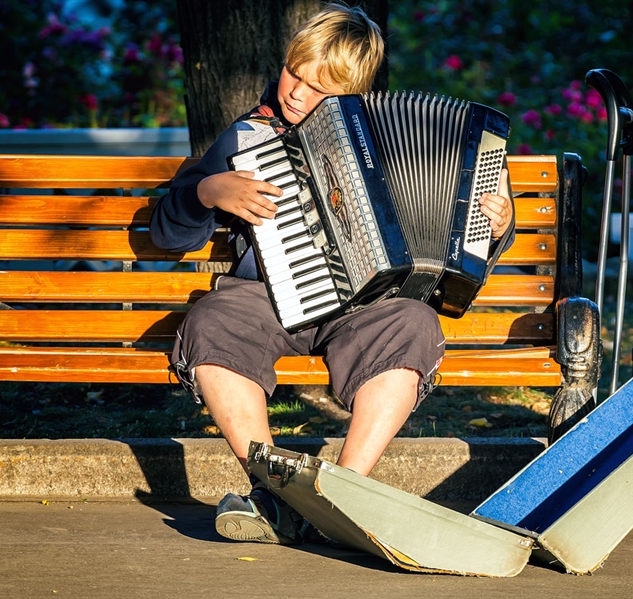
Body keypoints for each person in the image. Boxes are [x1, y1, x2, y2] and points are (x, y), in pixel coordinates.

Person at [150, 2, 514, 545]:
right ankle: (272, 492)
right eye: (293, 73)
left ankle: (342, 493)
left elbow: (465, 237)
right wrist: (207, 191)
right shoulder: (247, 137)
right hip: (268, 297)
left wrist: (498, 222)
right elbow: (167, 232)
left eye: (318, 88)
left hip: (366, 304)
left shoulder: (398, 143)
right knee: (212, 322)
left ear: (352, 92)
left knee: (413, 322)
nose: (296, 93)